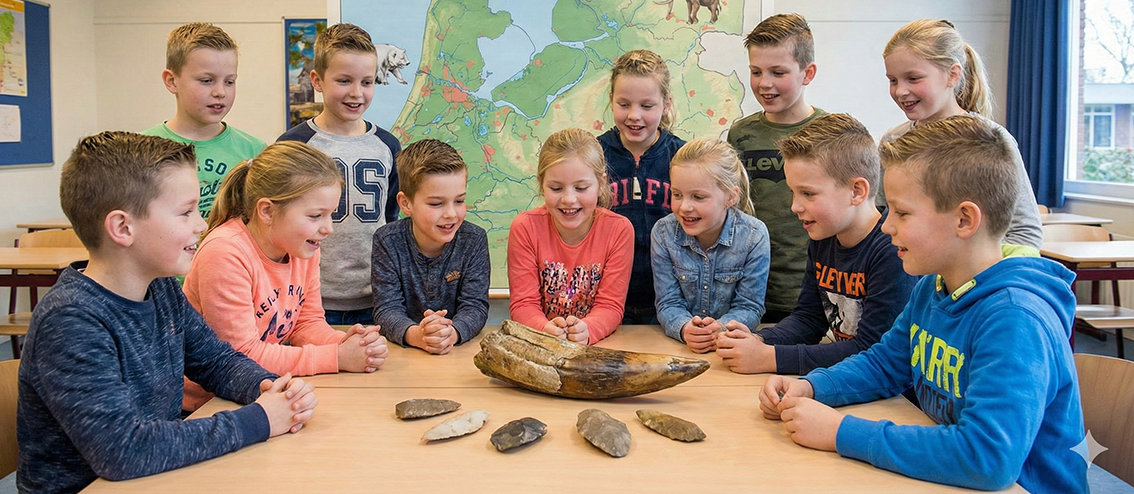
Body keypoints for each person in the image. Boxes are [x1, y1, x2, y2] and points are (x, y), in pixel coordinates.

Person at [759, 115, 1086, 493]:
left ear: (964, 220)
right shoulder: (934, 285)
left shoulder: (1015, 319)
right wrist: (812, 387)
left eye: (902, 213)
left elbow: (986, 458)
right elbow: (884, 364)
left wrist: (840, 432)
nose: (886, 226)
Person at [17, 132, 316, 494]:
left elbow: (217, 362)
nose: (201, 224)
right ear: (123, 228)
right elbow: (125, 450)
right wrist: (260, 419)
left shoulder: (160, 288)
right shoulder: (70, 321)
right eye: (186, 212)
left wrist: (267, 387)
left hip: (157, 477)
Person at [182, 141, 388, 412]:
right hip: (207, 407)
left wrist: (349, 344)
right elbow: (241, 356)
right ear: (267, 211)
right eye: (315, 216)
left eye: (331, 215)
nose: (328, 229)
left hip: (262, 392)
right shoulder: (224, 252)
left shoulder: (303, 246)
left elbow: (306, 323)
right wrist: (336, 357)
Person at [716, 114, 917, 374]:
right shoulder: (824, 237)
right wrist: (758, 340)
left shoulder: (892, 251)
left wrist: (771, 358)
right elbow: (808, 320)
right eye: (793, 192)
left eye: (808, 194)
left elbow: (872, 350)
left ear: (857, 191)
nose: (795, 207)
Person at [881, 18, 1042, 254]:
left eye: (913, 78)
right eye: (893, 80)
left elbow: (1025, 232)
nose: (900, 91)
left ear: (953, 75)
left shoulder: (991, 139)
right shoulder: (893, 142)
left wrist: (979, 270)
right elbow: (883, 218)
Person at [277, 23, 400, 326]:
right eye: (344, 81)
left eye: (367, 82)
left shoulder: (388, 145)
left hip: (377, 300)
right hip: (308, 299)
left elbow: (390, 220)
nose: (356, 93)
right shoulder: (294, 145)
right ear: (317, 81)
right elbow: (280, 226)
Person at [727, 13, 828, 323]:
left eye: (778, 72)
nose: (764, 83)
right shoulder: (740, 134)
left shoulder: (831, 133)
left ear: (808, 73)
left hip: (815, 291)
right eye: (756, 72)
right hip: (750, 291)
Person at [507, 128, 634, 345]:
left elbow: (610, 306)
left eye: (581, 188)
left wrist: (587, 330)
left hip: (596, 346)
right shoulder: (525, 228)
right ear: (542, 184)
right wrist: (544, 330)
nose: (568, 199)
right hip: (542, 345)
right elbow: (523, 304)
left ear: (601, 184)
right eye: (556, 188)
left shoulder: (619, 230)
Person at [651, 138, 769, 353]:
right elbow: (668, 302)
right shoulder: (663, 232)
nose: (684, 207)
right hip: (680, 348)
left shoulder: (754, 235)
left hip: (732, 347)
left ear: (730, 197)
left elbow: (750, 306)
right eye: (677, 195)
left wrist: (721, 328)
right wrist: (685, 328)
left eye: (698, 197)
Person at [372, 139, 490, 354]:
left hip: (455, 351)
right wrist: (417, 335)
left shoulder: (474, 240)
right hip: (403, 355)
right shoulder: (386, 240)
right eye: (436, 204)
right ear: (406, 203)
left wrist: (451, 333)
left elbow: (475, 306)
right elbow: (387, 308)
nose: (451, 214)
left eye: (459, 201)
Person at [598, 49, 686, 325]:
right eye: (624, 104)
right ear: (611, 100)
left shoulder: (684, 158)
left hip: (673, 303)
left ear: (666, 104)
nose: (634, 116)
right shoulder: (593, 156)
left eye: (647, 106)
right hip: (604, 301)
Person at [143, 22, 266, 220]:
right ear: (172, 81)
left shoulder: (255, 151)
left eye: (229, 81)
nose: (220, 92)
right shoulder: (140, 150)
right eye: (207, 81)